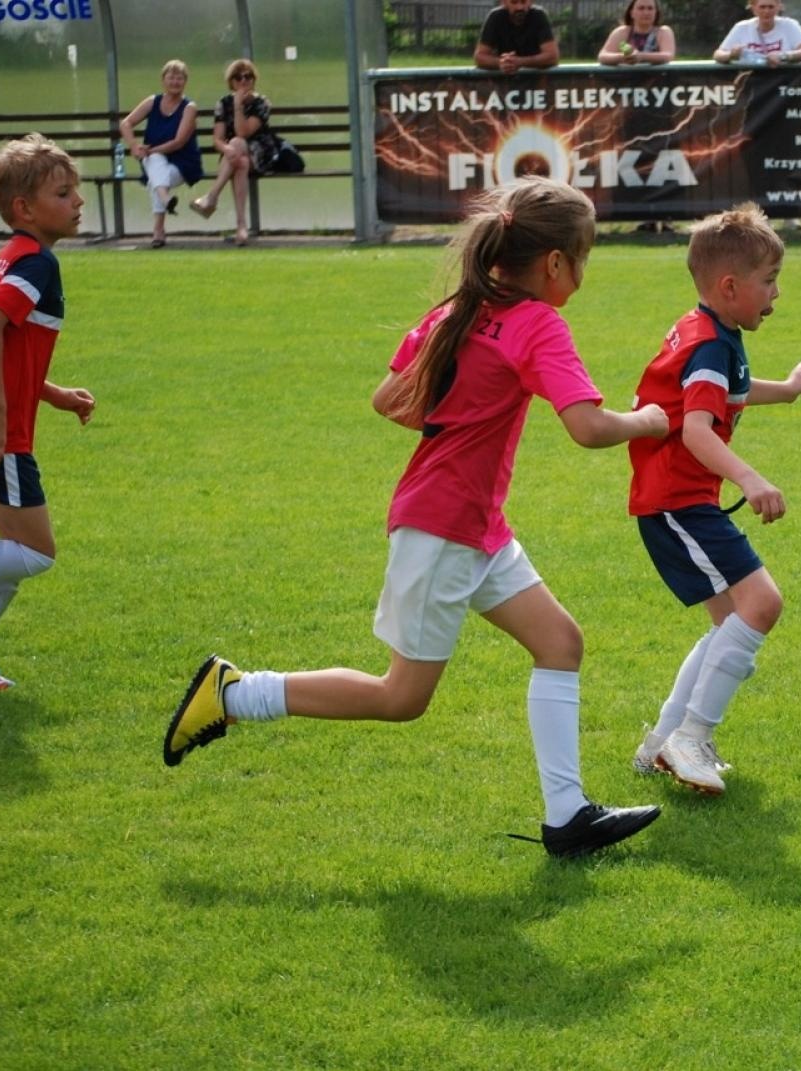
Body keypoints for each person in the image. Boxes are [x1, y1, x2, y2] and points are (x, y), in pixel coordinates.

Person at [163, 178, 668, 860]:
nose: (583, 274)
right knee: (401, 695)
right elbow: (586, 426)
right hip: (444, 528)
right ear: (554, 263)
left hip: (472, 524)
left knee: (559, 643)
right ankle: (235, 691)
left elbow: (386, 398)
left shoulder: (461, 307)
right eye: (585, 259)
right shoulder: (538, 322)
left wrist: (454, 415)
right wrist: (647, 420)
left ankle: (568, 816)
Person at [626, 203, 801, 796]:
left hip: (673, 501)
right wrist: (750, 478)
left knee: (729, 626)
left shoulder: (708, 330)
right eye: (768, 281)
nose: (777, 293)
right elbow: (696, 429)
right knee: (761, 606)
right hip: (679, 502)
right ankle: (692, 738)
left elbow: (723, 393)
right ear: (730, 286)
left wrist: (784, 392)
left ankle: (663, 742)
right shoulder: (710, 344)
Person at [0, 135, 95, 691]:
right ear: (23, 209)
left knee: (12, 550)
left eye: (76, 189)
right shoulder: (36, 262)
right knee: (33, 554)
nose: (78, 200)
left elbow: (10, 346)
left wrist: (53, 394)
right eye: (64, 192)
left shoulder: (18, 255)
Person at [190, 59, 284, 247]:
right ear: (231, 81)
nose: (244, 81)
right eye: (238, 77)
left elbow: (243, 132)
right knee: (240, 162)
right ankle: (241, 226)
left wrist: (238, 106)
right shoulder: (222, 103)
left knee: (237, 142)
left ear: (253, 80)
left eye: (248, 76)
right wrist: (226, 149)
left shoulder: (262, 103)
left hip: (260, 153)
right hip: (233, 157)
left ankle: (211, 197)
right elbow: (217, 139)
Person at [118, 59, 203, 249]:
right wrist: (134, 146)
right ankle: (165, 204)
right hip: (156, 161)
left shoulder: (189, 108)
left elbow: (179, 142)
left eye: (179, 78)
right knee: (156, 168)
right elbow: (125, 123)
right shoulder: (152, 102)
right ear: (163, 80)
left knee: (154, 177)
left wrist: (148, 150)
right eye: (171, 77)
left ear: (185, 82)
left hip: (183, 163)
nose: (175, 82)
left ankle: (158, 228)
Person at [714, 0, 801, 66]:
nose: (766, 11)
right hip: (752, 84)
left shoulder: (790, 25)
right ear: (753, 8)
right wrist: (731, 55)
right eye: (762, 7)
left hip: (783, 83)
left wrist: (783, 56)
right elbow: (718, 54)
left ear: (778, 7)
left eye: (771, 7)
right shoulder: (741, 27)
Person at [475, 0, 561, 73]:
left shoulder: (538, 16)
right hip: (504, 83)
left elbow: (552, 56)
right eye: (514, 2)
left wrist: (520, 62)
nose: (519, 7)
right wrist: (500, 63)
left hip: (537, 83)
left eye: (523, 2)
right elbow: (480, 57)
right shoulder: (496, 17)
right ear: (504, 2)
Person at [598, 0, 676, 65]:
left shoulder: (663, 32)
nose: (646, 13)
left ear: (656, 12)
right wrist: (623, 57)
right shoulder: (621, 32)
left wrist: (641, 57)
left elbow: (668, 55)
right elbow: (603, 56)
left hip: (658, 81)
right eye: (641, 8)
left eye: (650, 8)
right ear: (631, 13)